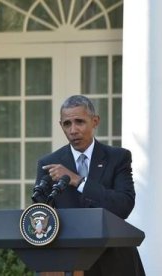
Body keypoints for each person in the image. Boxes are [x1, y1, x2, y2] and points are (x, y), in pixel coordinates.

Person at [35, 95, 145, 276]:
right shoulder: (48, 163)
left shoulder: (118, 158)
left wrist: (79, 181)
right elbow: (42, 216)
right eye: (67, 124)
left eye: (79, 122)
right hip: (67, 263)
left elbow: (123, 206)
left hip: (114, 260)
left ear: (95, 121)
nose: (73, 130)